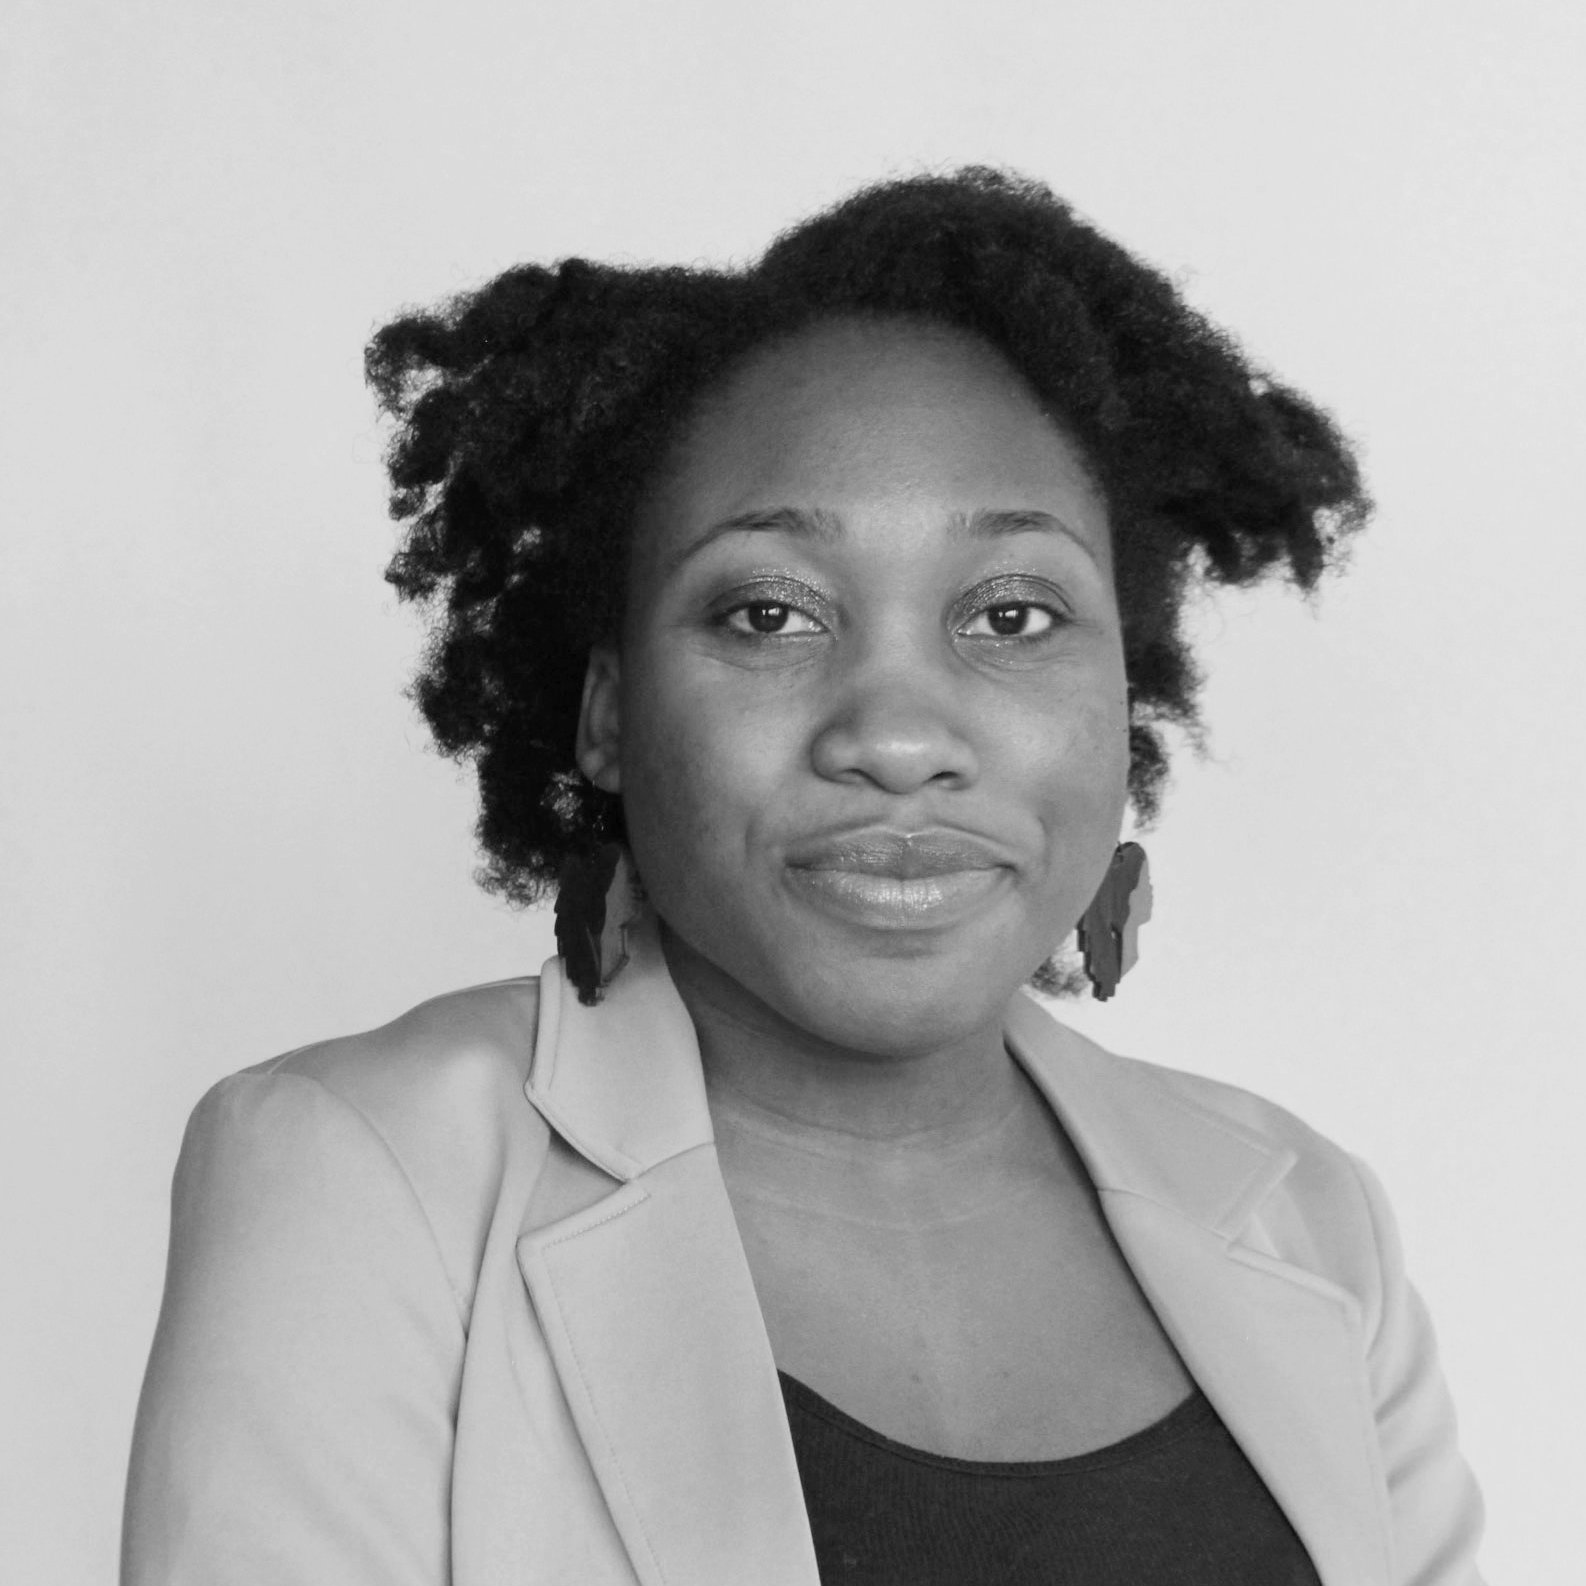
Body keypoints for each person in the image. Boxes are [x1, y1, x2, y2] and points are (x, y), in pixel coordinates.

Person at [121, 168, 1486, 1585]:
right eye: (767, 613)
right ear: (607, 713)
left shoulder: (1308, 1223)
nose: (895, 736)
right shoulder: (364, 1174)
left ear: (1122, 695)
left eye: (1012, 613)